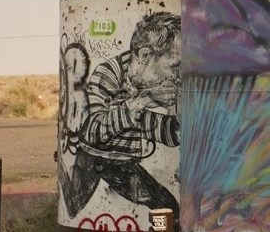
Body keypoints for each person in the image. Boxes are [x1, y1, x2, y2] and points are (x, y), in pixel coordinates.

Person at [60, 11, 180, 220]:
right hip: (100, 161)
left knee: (168, 209)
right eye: (175, 66)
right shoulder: (108, 74)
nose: (177, 76)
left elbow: (164, 132)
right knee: (73, 204)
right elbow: (93, 131)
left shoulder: (152, 84)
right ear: (145, 56)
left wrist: (182, 113)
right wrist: (142, 100)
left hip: (123, 162)